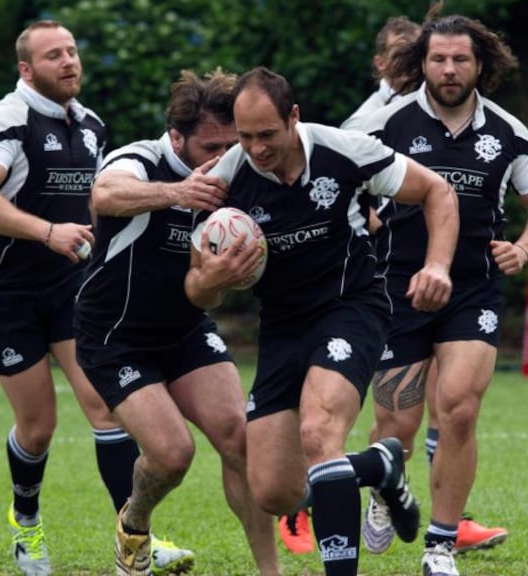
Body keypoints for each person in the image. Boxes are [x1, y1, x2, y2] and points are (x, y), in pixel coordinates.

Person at [184, 66, 460, 576]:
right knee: (273, 490)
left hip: (352, 308)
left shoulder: (344, 151)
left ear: (293, 118)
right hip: (283, 328)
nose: (256, 148)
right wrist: (215, 277)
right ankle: (378, 465)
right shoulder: (226, 181)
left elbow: (437, 192)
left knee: (319, 432)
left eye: (267, 135)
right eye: (244, 137)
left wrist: (437, 265)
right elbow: (197, 291)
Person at [0, 20, 188, 576]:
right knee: (38, 427)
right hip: (4, 292)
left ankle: (136, 539)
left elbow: (97, 208)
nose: (69, 62)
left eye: (73, 51)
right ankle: (26, 524)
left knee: (106, 407)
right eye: (53, 56)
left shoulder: (91, 128)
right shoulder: (8, 120)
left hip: (69, 289)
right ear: (26, 70)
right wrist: (46, 232)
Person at [356, 11, 528, 575]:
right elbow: (347, 194)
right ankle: (385, 485)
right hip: (397, 289)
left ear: (480, 64)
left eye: (460, 59)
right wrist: (364, 228)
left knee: (460, 411)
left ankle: (441, 545)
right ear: (420, 64)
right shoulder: (385, 126)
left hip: (473, 291)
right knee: (397, 426)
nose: (448, 69)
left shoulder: (507, 132)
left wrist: (523, 247)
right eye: (438, 59)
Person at [74, 69, 281, 576]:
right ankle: (135, 523)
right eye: (211, 145)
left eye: (231, 144)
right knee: (171, 456)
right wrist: (178, 192)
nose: (223, 157)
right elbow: (104, 195)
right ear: (176, 137)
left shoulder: (241, 170)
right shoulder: (142, 159)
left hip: (186, 330)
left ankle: (271, 572)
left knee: (240, 439)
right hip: (115, 337)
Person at [274, 14, 425, 557]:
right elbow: (338, 187)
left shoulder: (441, 111)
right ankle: (323, 491)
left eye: (419, 52)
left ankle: (446, 520)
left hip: (382, 289)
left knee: (449, 405)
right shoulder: (365, 121)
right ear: (380, 63)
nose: (413, 63)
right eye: (400, 54)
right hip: (364, 272)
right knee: (308, 428)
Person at [340, 15, 421, 131]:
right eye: (399, 54)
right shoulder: (361, 124)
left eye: (415, 53)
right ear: (380, 63)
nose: (409, 61)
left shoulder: (442, 106)